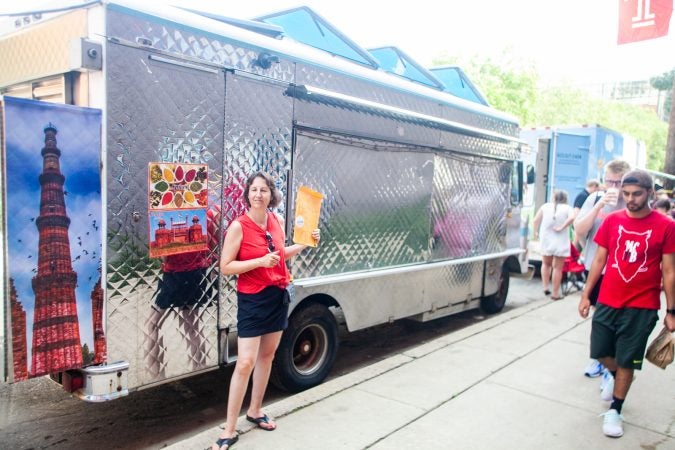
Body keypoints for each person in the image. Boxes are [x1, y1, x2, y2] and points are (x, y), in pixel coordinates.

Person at [212, 172, 320, 450]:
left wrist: (305, 242)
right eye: (254, 190)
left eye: (264, 190)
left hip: (277, 295)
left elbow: (280, 254)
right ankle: (229, 429)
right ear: (247, 194)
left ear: (271, 195)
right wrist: (259, 261)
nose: (258, 194)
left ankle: (255, 410)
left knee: (268, 356)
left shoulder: (274, 221)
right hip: (253, 300)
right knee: (245, 362)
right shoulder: (239, 226)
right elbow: (225, 267)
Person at [578, 169, 675, 438]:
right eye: (626, 194)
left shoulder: (667, 226)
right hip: (608, 299)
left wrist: (672, 310)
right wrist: (587, 294)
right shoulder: (612, 221)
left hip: (642, 306)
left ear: (650, 194)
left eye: (637, 194)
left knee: (628, 361)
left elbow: (669, 271)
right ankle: (615, 374)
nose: (630, 199)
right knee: (599, 352)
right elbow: (599, 260)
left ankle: (615, 409)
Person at [574, 160, 631, 378]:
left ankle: (612, 363)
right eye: (609, 181)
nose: (614, 187)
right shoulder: (595, 198)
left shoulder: (632, 202)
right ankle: (599, 358)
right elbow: (578, 229)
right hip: (595, 268)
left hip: (621, 271)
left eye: (619, 182)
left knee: (617, 318)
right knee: (600, 318)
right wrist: (599, 206)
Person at [532, 190, 575, 300]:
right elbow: (572, 218)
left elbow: (535, 220)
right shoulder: (568, 208)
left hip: (546, 239)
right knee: (557, 268)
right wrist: (562, 227)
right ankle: (555, 293)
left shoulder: (545, 206)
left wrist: (535, 233)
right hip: (561, 241)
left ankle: (545, 287)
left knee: (546, 264)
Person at [572, 179, 600, 249]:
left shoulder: (585, 195)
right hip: (580, 224)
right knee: (581, 247)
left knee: (580, 248)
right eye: (597, 189)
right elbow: (576, 211)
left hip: (582, 224)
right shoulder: (583, 196)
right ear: (594, 186)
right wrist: (577, 224)